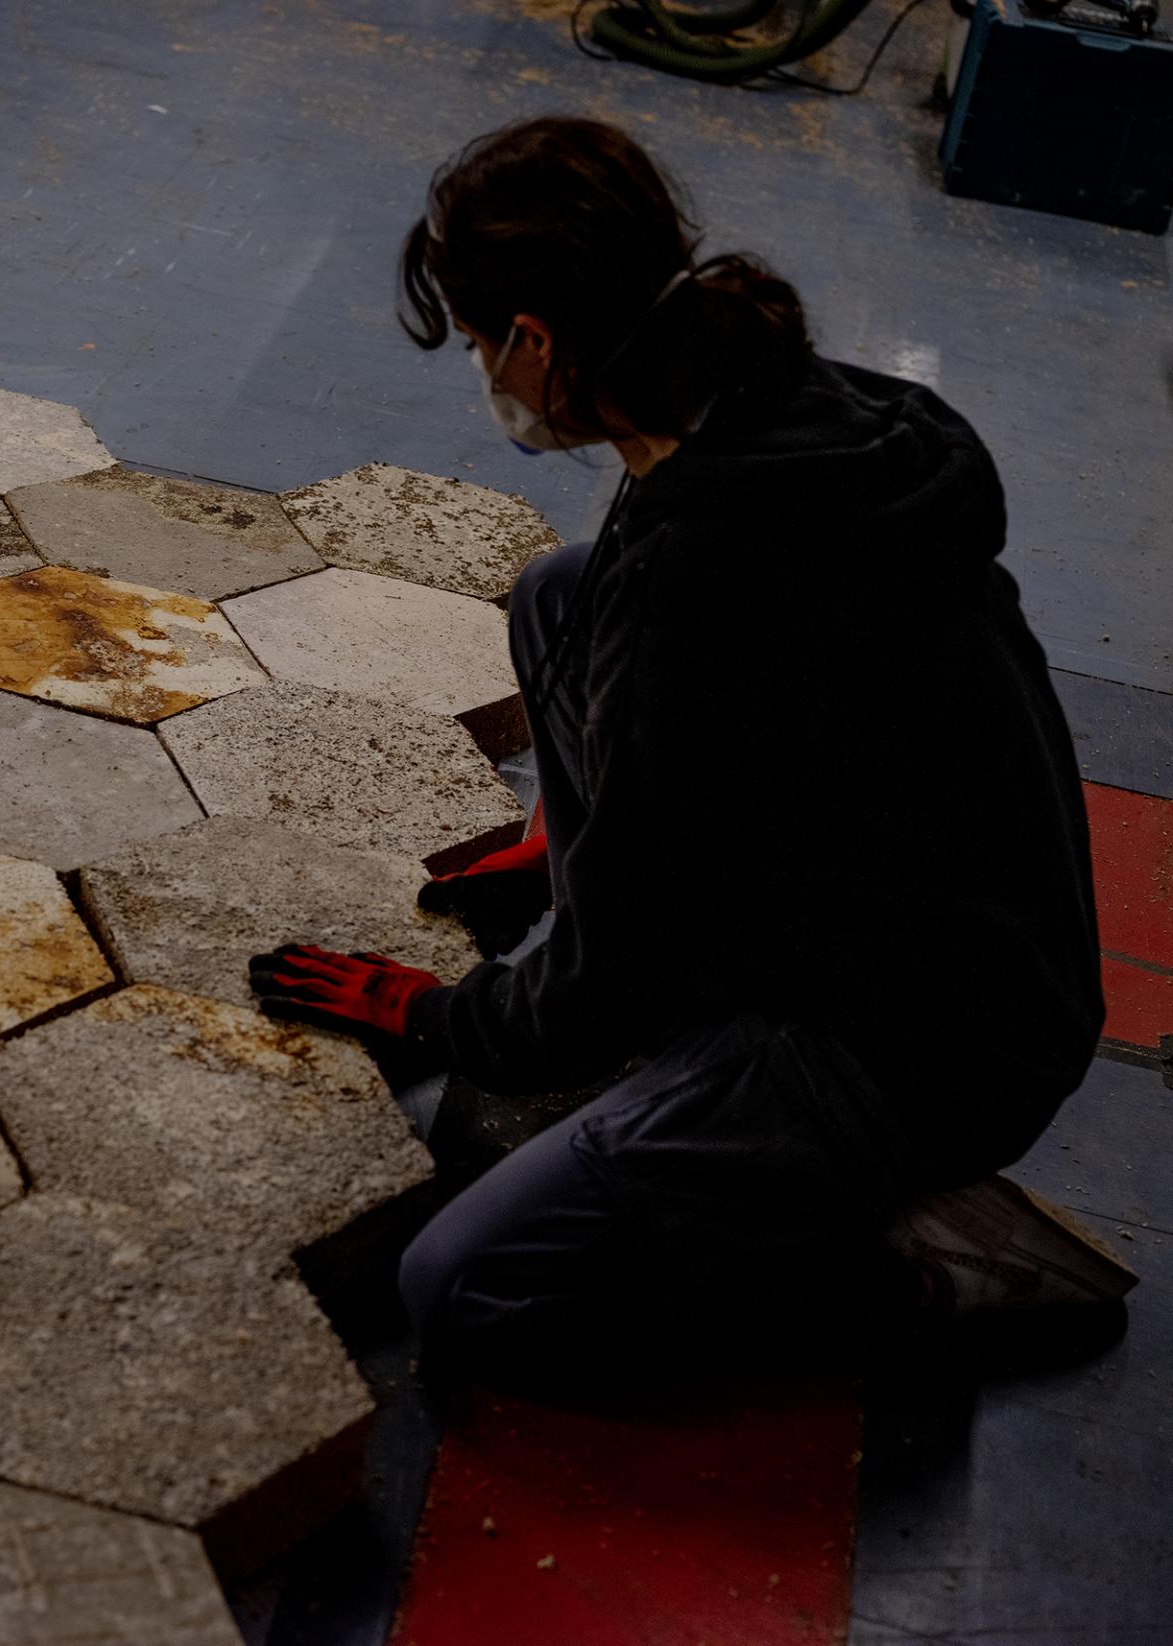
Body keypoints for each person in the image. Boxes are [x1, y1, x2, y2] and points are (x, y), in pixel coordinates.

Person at [250, 116, 1132, 1385]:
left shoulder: (701, 583)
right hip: (974, 945)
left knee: (464, 1286)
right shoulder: (813, 409)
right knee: (562, 590)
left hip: (903, 1052)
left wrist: (447, 1014)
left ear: (539, 342)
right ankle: (624, 957)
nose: (486, 370)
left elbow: (628, 960)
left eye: (483, 341)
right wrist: (580, 841)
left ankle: (931, 1267)